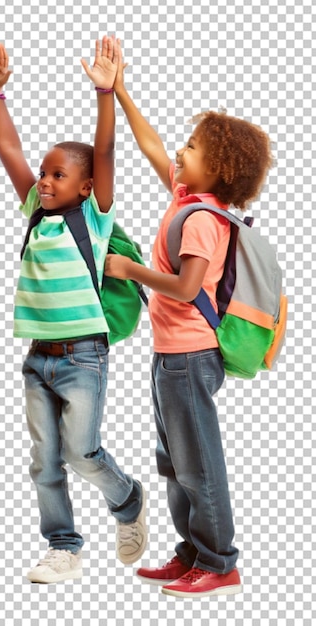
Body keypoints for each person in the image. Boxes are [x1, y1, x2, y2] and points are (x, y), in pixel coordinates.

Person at [104, 44, 273, 598]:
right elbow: (153, 146)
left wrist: (129, 268)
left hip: (189, 356)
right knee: (173, 462)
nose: (180, 150)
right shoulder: (186, 198)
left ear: (218, 168)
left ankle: (220, 563)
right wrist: (120, 90)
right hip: (169, 354)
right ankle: (192, 552)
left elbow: (183, 286)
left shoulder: (202, 221)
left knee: (198, 465)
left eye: (193, 146)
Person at [0, 36, 147, 584]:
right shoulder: (36, 210)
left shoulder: (95, 218)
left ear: (86, 187)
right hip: (37, 359)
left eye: (58, 175)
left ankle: (127, 501)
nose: (45, 181)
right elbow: (10, 151)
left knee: (82, 455)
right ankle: (63, 545)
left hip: (83, 357)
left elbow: (104, 152)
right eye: (45, 173)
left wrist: (106, 93)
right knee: (43, 462)